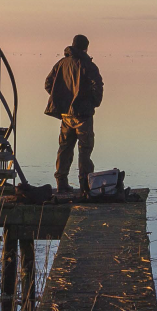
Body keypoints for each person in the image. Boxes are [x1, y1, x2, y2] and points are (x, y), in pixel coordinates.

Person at [44, 34, 104, 197]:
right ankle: (85, 186)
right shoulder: (87, 65)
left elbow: (48, 83)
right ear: (86, 47)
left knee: (65, 148)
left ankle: (61, 184)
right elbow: (97, 85)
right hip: (82, 115)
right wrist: (93, 102)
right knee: (84, 149)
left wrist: (62, 98)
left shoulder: (61, 63)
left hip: (66, 115)